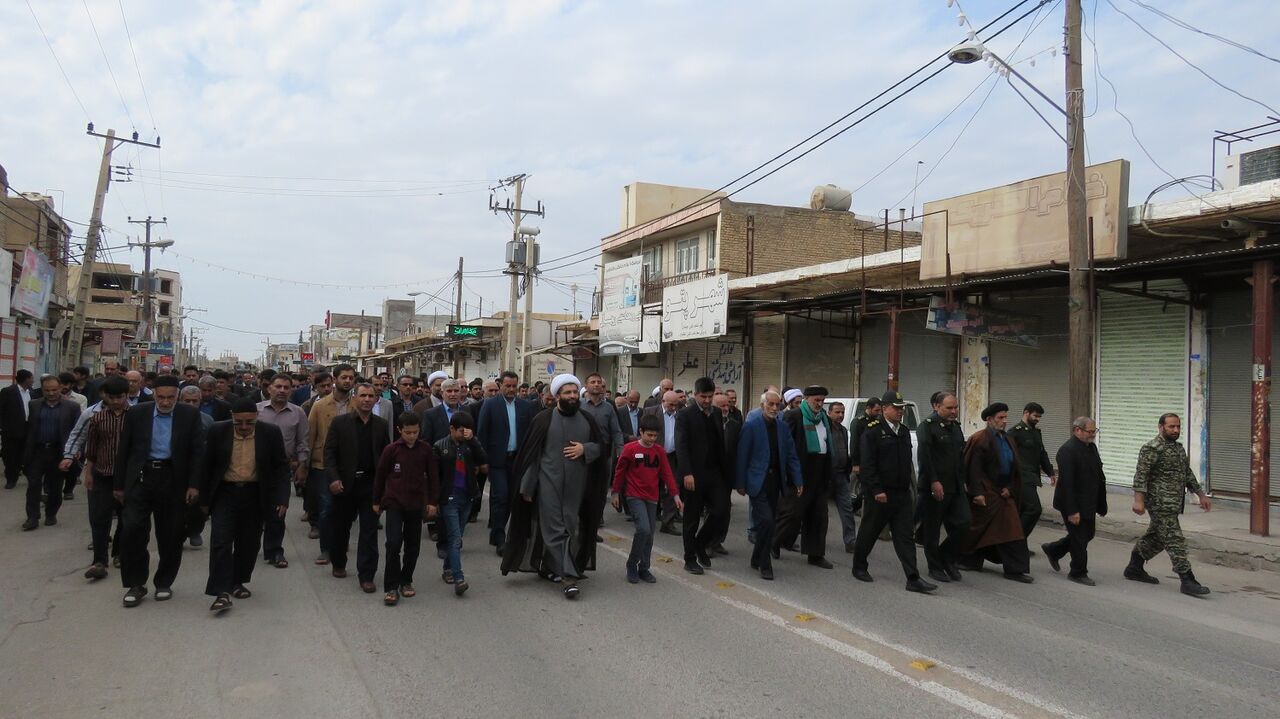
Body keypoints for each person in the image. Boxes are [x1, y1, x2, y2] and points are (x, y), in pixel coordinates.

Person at [501, 375, 608, 599]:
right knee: (554, 529)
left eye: (573, 392)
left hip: (577, 487)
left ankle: (549, 567)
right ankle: (569, 577)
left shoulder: (587, 420)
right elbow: (532, 456)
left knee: (570, 526)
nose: (571, 396)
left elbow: (601, 448)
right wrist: (527, 487)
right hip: (548, 484)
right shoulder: (543, 419)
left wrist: (585, 449)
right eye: (566, 392)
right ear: (557, 395)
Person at [115, 375, 207, 607]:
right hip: (142, 478)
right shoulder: (137, 414)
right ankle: (136, 584)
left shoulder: (189, 415)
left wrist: (194, 484)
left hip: (173, 480)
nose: (165, 402)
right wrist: (119, 485)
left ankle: (164, 582)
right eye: (161, 397)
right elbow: (124, 450)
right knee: (133, 529)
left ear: (177, 396)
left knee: (171, 534)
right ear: (153, 394)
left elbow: (197, 452)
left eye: (171, 398)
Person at [203, 398, 289, 613]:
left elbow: (280, 468)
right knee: (221, 541)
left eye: (248, 423)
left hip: (255, 494)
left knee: (248, 543)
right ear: (231, 418)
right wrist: (201, 496)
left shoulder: (270, 433)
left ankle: (237, 581)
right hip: (225, 492)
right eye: (238, 423)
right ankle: (220, 592)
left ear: (257, 418)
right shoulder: (217, 431)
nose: (243, 428)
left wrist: (282, 498)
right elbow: (206, 464)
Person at [852, 391, 935, 593]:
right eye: (897, 408)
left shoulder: (904, 431)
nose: (900, 412)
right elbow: (868, 465)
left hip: (901, 494)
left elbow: (906, 463)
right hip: (880, 494)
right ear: (885, 408)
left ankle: (913, 578)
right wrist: (876, 490)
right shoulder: (872, 431)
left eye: (902, 408)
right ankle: (859, 566)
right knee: (869, 531)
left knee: (905, 536)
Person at [1124, 413, 1213, 596]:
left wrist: (1201, 494)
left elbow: (1186, 474)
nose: (1176, 430)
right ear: (1161, 427)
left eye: (1178, 427)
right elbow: (1141, 475)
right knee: (1174, 539)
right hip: (1159, 502)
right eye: (1171, 427)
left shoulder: (1178, 448)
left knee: (1157, 537)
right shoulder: (1152, 448)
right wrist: (1138, 500)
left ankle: (1134, 567)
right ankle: (1187, 579)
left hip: (1173, 503)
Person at [324, 383, 391, 593]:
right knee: (341, 527)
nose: (367, 399)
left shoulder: (380, 424)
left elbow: (386, 456)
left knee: (369, 531)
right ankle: (338, 561)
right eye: (363, 395)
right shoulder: (340, 423)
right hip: (345, 484)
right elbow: (329, 454)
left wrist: (385, 486)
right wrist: (334, 479)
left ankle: (367, 575)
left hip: (371, 485)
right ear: (354, 398)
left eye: (371, 396)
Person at [961, 402, 1033, 583]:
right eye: (1000, 418)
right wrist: (977, 493)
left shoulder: (1007, 438)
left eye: (1005, 417)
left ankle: (1014, 569)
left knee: (1011, 528)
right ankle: (968, 559)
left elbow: (1012, 466)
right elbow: (972, 469)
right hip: (986, 492)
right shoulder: (979, 439)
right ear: (990, 419)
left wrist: (1010, 487)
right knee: (981, 529)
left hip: (1003, 492)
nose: (1004, 421)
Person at [373, 412, 439, 606]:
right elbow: (380, 476)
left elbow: (433, 477)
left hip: (416, 503)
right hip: (394, 503)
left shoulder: (425, 449)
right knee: (393, 544)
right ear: (399, 430)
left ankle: (406, 579)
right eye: (408, 432)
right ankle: (391, 587)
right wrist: (376, 501)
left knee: (413, 545)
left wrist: (433, 502)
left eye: (415, 432)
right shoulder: (391, 450)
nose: (412, 436)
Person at [735, 391, 803, 580]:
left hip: (775, 481)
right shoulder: (751, 426)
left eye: (777, 405)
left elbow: (791, 455)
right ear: (762, 405)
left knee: (769, 521)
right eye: (770, 404)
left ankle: (757, 556)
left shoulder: (782, 427)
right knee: (766, 521)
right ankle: (765, 563)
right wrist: (740, 483)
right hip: (757, 481)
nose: (774, 408)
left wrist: (797, 479)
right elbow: (742, 455)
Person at [70, 375, 130, 578]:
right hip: (101, 474)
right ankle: (99, 561)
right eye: (111, 397)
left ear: (126, 395)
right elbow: (92, 448)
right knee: (99, 518)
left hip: (127, 477)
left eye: (119, 397)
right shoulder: (97, 417)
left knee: (126, 518)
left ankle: (120, 553)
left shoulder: (136, 416)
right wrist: (88, 472)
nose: (115, 401)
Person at [612, 414, 682, 583]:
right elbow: (620, 472)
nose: (652, 439)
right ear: (641, 432)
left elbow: (667, 473)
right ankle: (631, 564)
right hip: (634, 495)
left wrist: (675, 495)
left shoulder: (659, 451)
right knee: (643, 529)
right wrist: (615, 492)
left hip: (652, 497)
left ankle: (644, 567)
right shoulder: (630, 449)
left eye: (655, 435)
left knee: (649, 535)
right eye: (649, 435)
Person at [671, 377, 730, 575]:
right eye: (703, 396)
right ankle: (690, 558)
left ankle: (700, 543)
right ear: (695, 395)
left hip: (714, 473)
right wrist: (687, 472)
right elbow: (681, 445)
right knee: (692, 519)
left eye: (710, 396)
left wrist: (726, 473)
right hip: (693, 475)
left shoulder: (715, 414)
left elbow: (720, 444)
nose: (706, 400)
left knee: (721, 511)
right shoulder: (685, 415)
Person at [475, 370, 536, 553]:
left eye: (514, 386)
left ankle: (504, 533)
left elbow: (529, 434)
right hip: (497, 461)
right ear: (500, 385)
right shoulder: (490, 405)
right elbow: (482, 433)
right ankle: (500, 538)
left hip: (517, 460)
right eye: (507, 386)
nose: (511, 389)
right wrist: (482, 460)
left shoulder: (525, 406)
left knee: (512, 498)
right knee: (500, 496)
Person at [773, 386, 833, 569]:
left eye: (822, 400)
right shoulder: (794, 416)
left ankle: (815, 554)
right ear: (807, 399)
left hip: (819, 473)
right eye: (816, 400)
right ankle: (773, 543)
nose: (820, 404)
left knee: (819, 516)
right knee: (792, 514)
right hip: (799, 473)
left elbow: (827, 446)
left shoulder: (824, 419)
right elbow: (784, 446)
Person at [1042, 417, 1107, 585]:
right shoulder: (1067, 451)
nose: (1093, 435)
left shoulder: (1090, 447)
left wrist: (1101, 503)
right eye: (1090, 432)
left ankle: (1054, 549)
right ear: (1077, 430)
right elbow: (1068, 484)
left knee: (1088, 534)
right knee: (1079, 538)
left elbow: (1098, 475)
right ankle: (1078, 572)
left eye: (1095, 431)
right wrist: (1072, 511)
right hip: (1073, 503)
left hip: (1089, 501)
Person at [256, 374, 310, 568]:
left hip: (282, 469)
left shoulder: (297, 413)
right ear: (269, 388)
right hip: (256, 469)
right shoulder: (257, 411)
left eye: (286, 388)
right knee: (254, 513)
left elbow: (303, 441)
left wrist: (302, 466)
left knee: (279, 511)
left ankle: (275, 551)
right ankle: (251, 548)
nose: (282, 390)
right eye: (278, 386)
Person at [431, 412, 487, 597]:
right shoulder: (440, 446)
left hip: (467, 496)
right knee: (455, 539)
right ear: (452, 429)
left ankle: (448, 568)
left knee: (458, 537)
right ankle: (458, 577)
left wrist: (473, 440)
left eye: (467, 431)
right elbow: (434, 477)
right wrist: (434, 500)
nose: (464, 434)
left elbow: (483, 459)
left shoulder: (469, 445)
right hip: (449, 499)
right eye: (461, 431)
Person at [916, 392, 968, 583]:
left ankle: (946, 557)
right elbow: (925, 457)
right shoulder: (927, 427)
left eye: (955, 407)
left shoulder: (955, 427)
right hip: (935, 486)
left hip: (955, 486)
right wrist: (933, 481)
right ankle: (935, 567)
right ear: (936, 407)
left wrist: (964, 481)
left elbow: (959, 456)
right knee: (932, 529)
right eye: (949, 408)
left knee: (965, 523)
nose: (954, 411)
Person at [306, 365, 354, 565]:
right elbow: (310, 436)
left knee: (347, 510)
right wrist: (304, 466)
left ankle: (341, 544)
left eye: (351, 378)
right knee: (327, 508)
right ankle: (326, 548)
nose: (348, 381)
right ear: (335, 379)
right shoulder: (320, 406)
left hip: (350, 465)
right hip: (323, 465)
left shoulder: (357, 405)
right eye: (344, 377)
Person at [21, 375, 82, 530]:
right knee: (33, 485)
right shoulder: (34, 405)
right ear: (42, 389)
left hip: (58, 452)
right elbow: (29, 429)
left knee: (55, 487)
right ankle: (32, 518)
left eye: (54, 390)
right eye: (47, 390)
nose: (51, 393)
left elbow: (79, 431)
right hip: (38, 451)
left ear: (61, 388)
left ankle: (51, 514)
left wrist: (76, 451)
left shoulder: (72, 407)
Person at [582, 373, 624, 534]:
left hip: (604, 455)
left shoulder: (608, 408)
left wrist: (620, 451)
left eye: (599, 382)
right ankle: (583, 522)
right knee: (585, 489)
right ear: (586, 386)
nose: (597, 384)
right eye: (593, 382)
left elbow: (616, 431)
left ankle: (595, 523)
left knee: (600, 490)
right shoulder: (579, 406)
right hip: (584, 454)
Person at [1008, 402, 1056, 543]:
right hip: (1020, 478)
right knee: (1034, 509)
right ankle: (1015, 542)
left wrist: (1050, 472)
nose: (1037, 419)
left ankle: (1018, 543)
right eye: (1035, 416)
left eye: (1039, 417)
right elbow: (1007, 456)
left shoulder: (1035, 432)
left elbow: (1042, 454)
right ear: (1026, 413)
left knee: (1022, 511)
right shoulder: (1014, 432)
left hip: (1032, 477)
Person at [642, 390, 684, 535]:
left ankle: (668, 522)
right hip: (653, 454)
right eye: (671, 404)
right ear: (663, 401)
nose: (673, 407)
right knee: (651, 486)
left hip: (672, 456)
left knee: (673, 487)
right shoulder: (651, 412)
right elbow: (641, 432)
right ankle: (648, 517)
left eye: (675, 404)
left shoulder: (681, 413)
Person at [708, 391, 741, 555]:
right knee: (714, 510)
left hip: (727, 474)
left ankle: (718, 541)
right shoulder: (707, 423)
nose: (726, 408)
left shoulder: (734, 425)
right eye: (722, 406)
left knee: (725, 510)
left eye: (727, 405)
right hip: (710, 474)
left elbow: (738, 450)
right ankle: (707, 542)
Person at [827, 401, 858, 554]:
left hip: (841, 476)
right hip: (826, 476)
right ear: (829, 413)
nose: (840, 415)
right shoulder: (824, 429)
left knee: (847, 509)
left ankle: (851, 541)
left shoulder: (844, 430)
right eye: (837, 412)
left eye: (842, 412)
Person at [1, 369, 34, 489]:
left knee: (25, 454)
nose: (33, 380)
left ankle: (26, 473)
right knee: (11, 455)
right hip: (11, 430)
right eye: (32, 378)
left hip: (27, 428)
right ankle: (11, 479)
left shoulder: (31, 392)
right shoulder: (8, 392)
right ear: (26, 379)